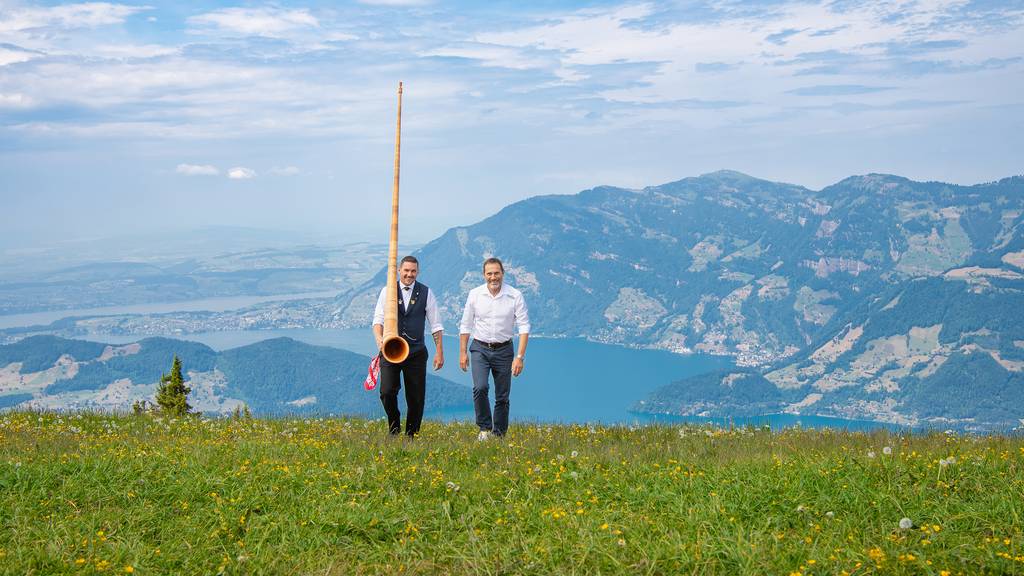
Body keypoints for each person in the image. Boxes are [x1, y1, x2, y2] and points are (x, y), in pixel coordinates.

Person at [459, 257, 530, 440]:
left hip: (505, 350)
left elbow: (524, 327)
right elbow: (466, 325)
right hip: (480, 348)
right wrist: (462, 352)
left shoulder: (515, 296)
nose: (493, 277)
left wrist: (519, 357)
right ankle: (484, 428)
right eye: (489, 273)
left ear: (503, 274)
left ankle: (499, 434)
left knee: (502, 395)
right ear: (484, 275)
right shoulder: (475, 294)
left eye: (496, 273)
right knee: (480, 387)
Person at [372, 255, 444, 437]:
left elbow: (436, 324)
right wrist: (380, 340)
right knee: (387, 391)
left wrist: (439, 352)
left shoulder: (426, 293)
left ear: (417, 272)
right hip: (390, 350)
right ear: (399, 270)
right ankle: (394, 426)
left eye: (413, 271)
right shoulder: (387, 291)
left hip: (416, 352)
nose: (409, 274)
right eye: (406, 270)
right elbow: (377, 320)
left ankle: (411, 435)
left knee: (416, 397)